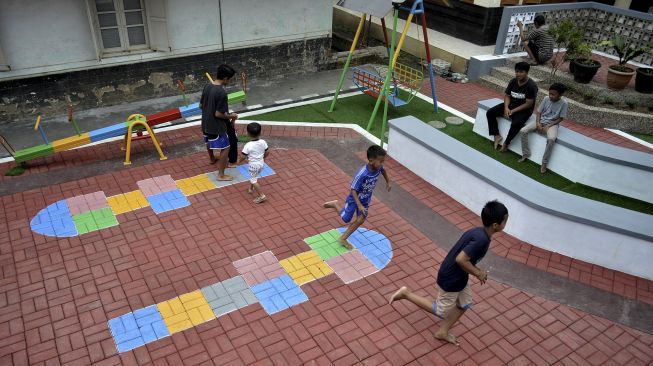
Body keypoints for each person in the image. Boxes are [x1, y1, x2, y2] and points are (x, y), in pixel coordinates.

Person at [388, 200, 509, 346]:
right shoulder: (481, 240)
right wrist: (478, 273)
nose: (506, 224)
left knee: (465, 303)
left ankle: (442, 332)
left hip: (459, 276)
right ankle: (406, 294)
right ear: (496, 225)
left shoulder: (479, 232)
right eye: (505, 221)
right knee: (440, 310)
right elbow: (461, 259)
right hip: (452, 277)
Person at [323, 145, 391, 249]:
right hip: (354, 199)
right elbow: (353, 189)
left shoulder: (379, 167)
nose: (382, 164)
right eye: (381, 161)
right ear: (371, 161)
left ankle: (343, 238)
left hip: (366, 199)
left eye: (383, 161)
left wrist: (388, 181)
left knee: (360, 219)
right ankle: (335, 204)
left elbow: (383, 170)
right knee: (346, 219)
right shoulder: (362, 173)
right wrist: (359, 205)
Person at [486, 61, 538, 152]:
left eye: (521, 72)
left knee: (516, 124)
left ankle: (506, 143)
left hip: (524, 110)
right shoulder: (513, 81)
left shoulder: (532, 86)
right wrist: (506, 108)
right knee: (490, 112)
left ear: (527, 72)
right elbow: (507, 96)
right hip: (510, 105)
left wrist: (513, 111)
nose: (518, 74)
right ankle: (497, 136)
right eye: (517, 71)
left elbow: (528, 104)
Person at [518, 83, 568, 174]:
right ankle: (526, 153)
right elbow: (539, 112)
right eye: (550, 93)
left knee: (552, 139)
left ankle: (544, 163)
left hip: (552, 124)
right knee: (523, 130)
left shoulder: (564, 103)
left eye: (553, 94)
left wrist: (548, 126)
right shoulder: (546, 98)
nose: (550, 96)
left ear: (560, 95)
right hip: (540, 120)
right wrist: (538, 123)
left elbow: (560, 118)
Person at [199, 64, 238, 181]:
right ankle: (221, 175)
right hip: (216, 126)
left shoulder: (207, 86)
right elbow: (219, 114)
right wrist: (233, 116)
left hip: (205, 122)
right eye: (229, 79)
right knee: (226, 148)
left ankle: (212, 159)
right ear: (225, 78)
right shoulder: (221, 92)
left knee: (208, 141)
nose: (229, 81)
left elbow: (201, 105)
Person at [239, 122, 269, 204]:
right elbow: (267, 152)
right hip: (261, 164)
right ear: (260, 132)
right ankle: (251, 189)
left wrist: (238, 162)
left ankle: (262, 196)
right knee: (254, 176)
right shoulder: (263, 142)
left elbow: (243, 156)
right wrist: (263, 157)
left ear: (248, 133)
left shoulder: (248, 145)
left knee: (253, 180)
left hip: (253, 166)